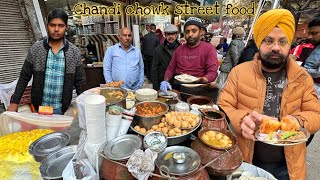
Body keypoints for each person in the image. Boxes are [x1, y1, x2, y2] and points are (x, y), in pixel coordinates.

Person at [217, 9, 320, 180]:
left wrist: (298, 121)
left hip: (288, 165)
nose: (275, 47)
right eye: (268, 40)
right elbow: (222, 107)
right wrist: (242, 120)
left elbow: (316, 114)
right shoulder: (238, 72)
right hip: (245, 160)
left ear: (290, 45)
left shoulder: (302, 77)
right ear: (259, 42)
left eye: (282, 42)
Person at [8, 8, 85, 115]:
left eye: (61, 25)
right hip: (39, 108)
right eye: (52, 25)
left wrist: (85, 105)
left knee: (58, 132)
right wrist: (14, 102)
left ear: (66, 27)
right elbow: (24, 77)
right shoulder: (36, 49)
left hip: (60, 109)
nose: (56, 29)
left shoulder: (74, 52)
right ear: (47, 25)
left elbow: (80, 82)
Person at [160, 17, 219, 102]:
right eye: (187, 31)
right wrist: (165, 81)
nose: (190, 34)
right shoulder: (179, 50)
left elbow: (213, 72)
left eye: (194, 31)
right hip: (184, 90)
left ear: (201, 32)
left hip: (203, 90)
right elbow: (171, 68)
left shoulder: (209, 49)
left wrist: (204, 79)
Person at [151, 24, 180, 90]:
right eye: (168, 34)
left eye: (172, 34)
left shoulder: (181, 49)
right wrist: (156, 88)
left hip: (177, 84)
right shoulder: (158, 49)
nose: (170, 36)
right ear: (165, 35)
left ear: (176, 35)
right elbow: (154, 69)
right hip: (162, 83)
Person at [304, 17, 320, 96]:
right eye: (309, 34)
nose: (309, 37)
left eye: (314, 33)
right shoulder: (316, 46)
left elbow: (318, 72)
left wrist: (301, 70)